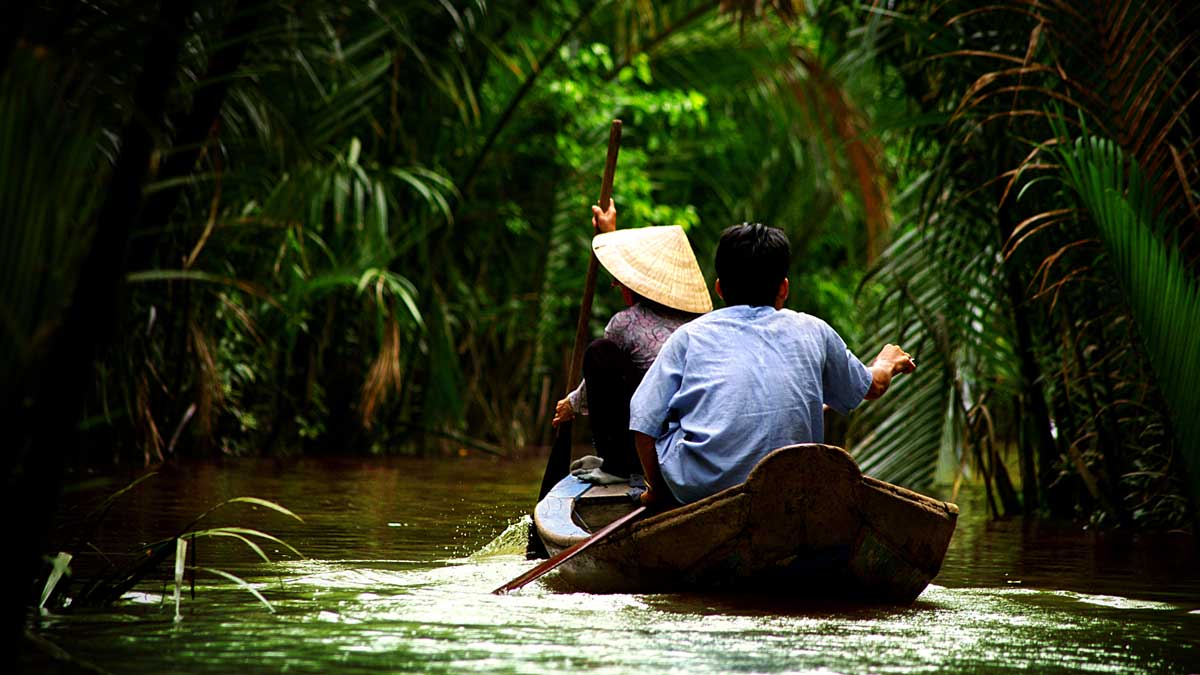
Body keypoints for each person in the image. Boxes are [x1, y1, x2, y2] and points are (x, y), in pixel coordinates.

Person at [628, 223, 916, 506]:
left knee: (666, 416)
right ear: (784, 289)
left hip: (701, 491)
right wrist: (886, 361)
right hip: (791, 485)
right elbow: (873, 386)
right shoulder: (814, 330)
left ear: (719, 289)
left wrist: (657, 492)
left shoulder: (689, 336)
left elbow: (643, 420)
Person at [551, 202, 712, 477]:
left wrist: (571, 405)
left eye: (621, 283)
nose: (618, 285)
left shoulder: (625, 322)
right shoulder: (704, 323)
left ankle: (616, 465)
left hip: (653, 445)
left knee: (599, 353)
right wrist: (609, 232)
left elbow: (595, 384)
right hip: (701, 442)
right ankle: (619, 461)